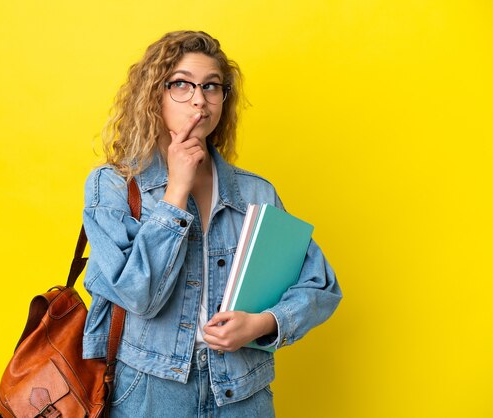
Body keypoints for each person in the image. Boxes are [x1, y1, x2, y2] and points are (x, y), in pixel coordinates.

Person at [82, 30, 342, 417]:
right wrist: (175, 192)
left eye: (211, 87)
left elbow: (321, 285)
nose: (199, 100)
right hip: (150, 394)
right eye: (182, 85)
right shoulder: (113, 184)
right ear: (155, 94)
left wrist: (261, 323)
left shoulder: (256, 192)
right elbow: (138, 295)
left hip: (242, 393)